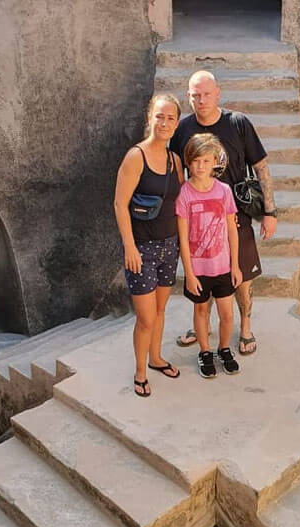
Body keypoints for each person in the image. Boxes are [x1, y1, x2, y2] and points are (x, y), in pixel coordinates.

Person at [170, 70, 277, 356]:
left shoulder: (238, 123)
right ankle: (200, 326)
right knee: (200, 276)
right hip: (198, 221)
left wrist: (270, 211)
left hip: (235, 217)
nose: (201, 100)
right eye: (195, 95)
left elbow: (261, 167)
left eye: (206, 94)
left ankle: (245, 327)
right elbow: (176, 171)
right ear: (188, 97)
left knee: (241, 279)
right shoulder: (182, 129)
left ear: (218, 93)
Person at [114, 94, 184, 397]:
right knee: (145, 317)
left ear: (177, 123)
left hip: (170, 245)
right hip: (142, 248)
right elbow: (120, 204)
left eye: (170, 118)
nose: (165, 122)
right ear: (149, 118)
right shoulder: (135, 157)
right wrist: (129, 246)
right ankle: (140, 371)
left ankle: (156, 358)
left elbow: (180, 202)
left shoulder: (175, 160)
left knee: (160, 309)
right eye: (160, 116)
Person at [176, 133, 243, 378]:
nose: (200, 166)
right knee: (201, 312)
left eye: (205, 161)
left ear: (215, 161)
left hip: (223, 267)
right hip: (198, 270)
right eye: (195, 161)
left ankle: (224, 349)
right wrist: (189, 274)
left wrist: (235, 265)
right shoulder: (185, 194)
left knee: (227, 314)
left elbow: (232, 232)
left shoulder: (224, 191)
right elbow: (183, 238)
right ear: (188, 162)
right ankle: (205, 351)